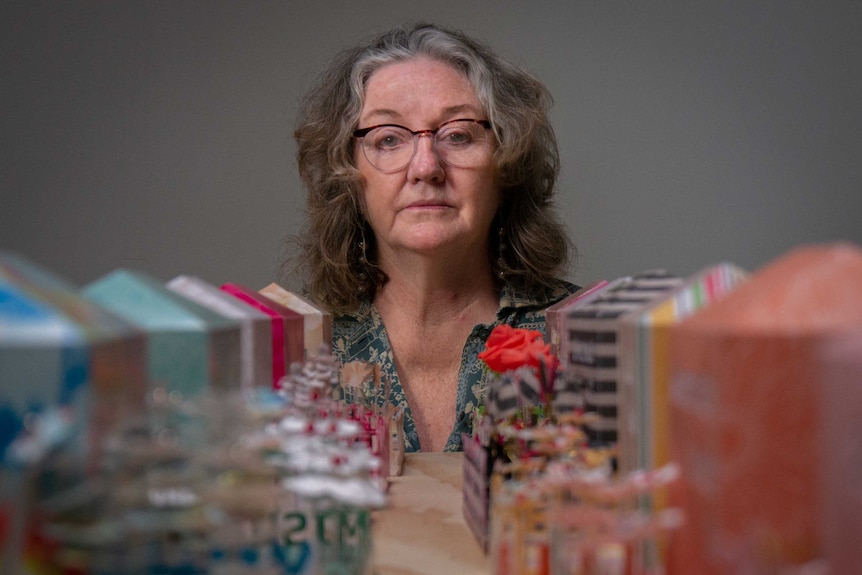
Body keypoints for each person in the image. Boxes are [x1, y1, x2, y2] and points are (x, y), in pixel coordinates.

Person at [287, 23, 577, 452]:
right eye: (388, 139)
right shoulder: (293, 349)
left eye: (458, 135)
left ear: (507, 165)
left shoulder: (584, 342)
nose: (426, 167)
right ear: (347, 175)